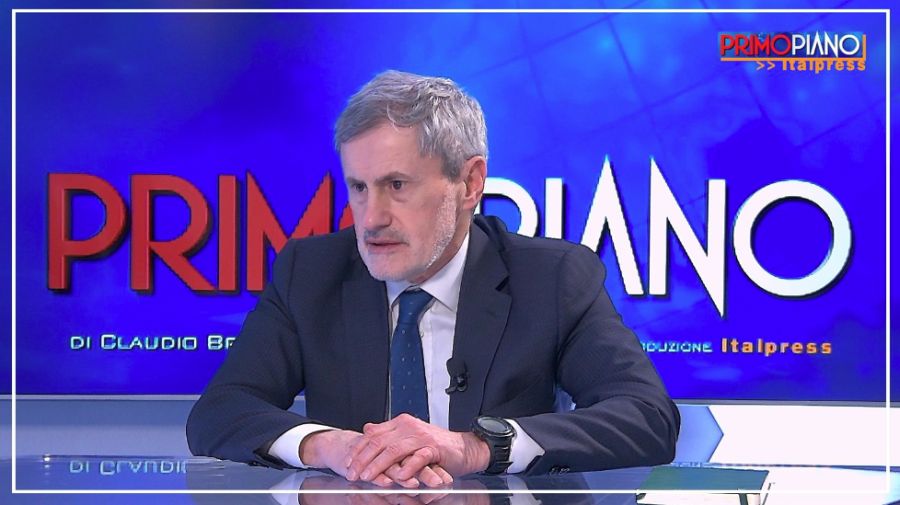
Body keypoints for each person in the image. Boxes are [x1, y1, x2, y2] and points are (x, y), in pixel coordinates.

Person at [186, 70, 680, 488]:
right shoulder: (312, 273)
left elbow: (647, 418)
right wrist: (329, 446)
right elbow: (221, 411)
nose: (372, 218)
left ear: (470, 183)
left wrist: (478, 447)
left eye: (397, 185)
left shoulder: (550, 279)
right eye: (359, 187)